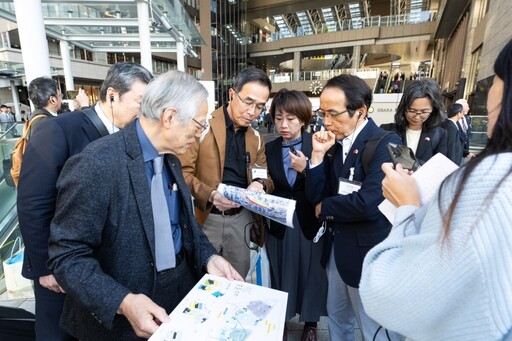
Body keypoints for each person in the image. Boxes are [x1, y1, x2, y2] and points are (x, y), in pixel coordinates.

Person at [48, 70, 243, 340]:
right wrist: (123, 301)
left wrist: (209, 257)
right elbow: (67, 256)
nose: (199, 135)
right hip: (120, 322)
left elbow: (183, 226)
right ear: (170, 117)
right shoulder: (95, 164)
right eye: (198, 125)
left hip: (178, 299)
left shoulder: (172, 159)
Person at [359, 39, 512, 341]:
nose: (418, 116)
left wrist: (408, 205)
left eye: (496, 78)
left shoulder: (491, 181)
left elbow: (389, 294)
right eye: (413, 111)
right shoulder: (388, 131)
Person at [17, 62, 153, 341]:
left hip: (95, 269)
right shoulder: (59, 130)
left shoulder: (131, 138)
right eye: (140, 101)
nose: (144, 111)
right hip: (58, 269)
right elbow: (33, 205)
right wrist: (46, 268)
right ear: (112, 95)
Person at [305, 74, 402, 341]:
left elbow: (368, 202)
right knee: (337, 318)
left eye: (333, 114)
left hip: (368, 254)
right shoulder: (334, 144)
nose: (326, 121)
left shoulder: (385, 143)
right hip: (336, 249)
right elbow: (314, 196)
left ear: (360, 111)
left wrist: (324, 208)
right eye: (323, 113)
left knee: (374, 327)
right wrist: (316, 155)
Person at [179, 67, 274, 278]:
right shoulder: (202, 126)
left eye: (260, 106)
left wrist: (259, 183)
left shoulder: (256, 137)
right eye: (248, 102)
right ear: (232, 94)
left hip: (240, 219)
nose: (253, 112)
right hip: (205, 216)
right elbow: (182, 172)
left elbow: (265, 175)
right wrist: (210, 195)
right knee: (200, 279)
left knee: (237, 279)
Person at [264, 89, 327, 341]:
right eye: (278, 118)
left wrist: (306, 171)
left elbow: (325, 188)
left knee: (311, 272)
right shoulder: (269, 148)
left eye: (290, 119)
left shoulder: (318, 144)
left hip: (308, 221)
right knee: (280, 271)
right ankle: (281, 318)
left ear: (303, 119)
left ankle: (310, 323)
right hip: (280, 222)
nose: (283, 125)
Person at [381, 79, 448, 164]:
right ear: (403, 108)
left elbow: (439, 167)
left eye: (424, 112)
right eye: (412, 110)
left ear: (433, 110)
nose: (417, 116)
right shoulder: (386, 130)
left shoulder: (439, 135)